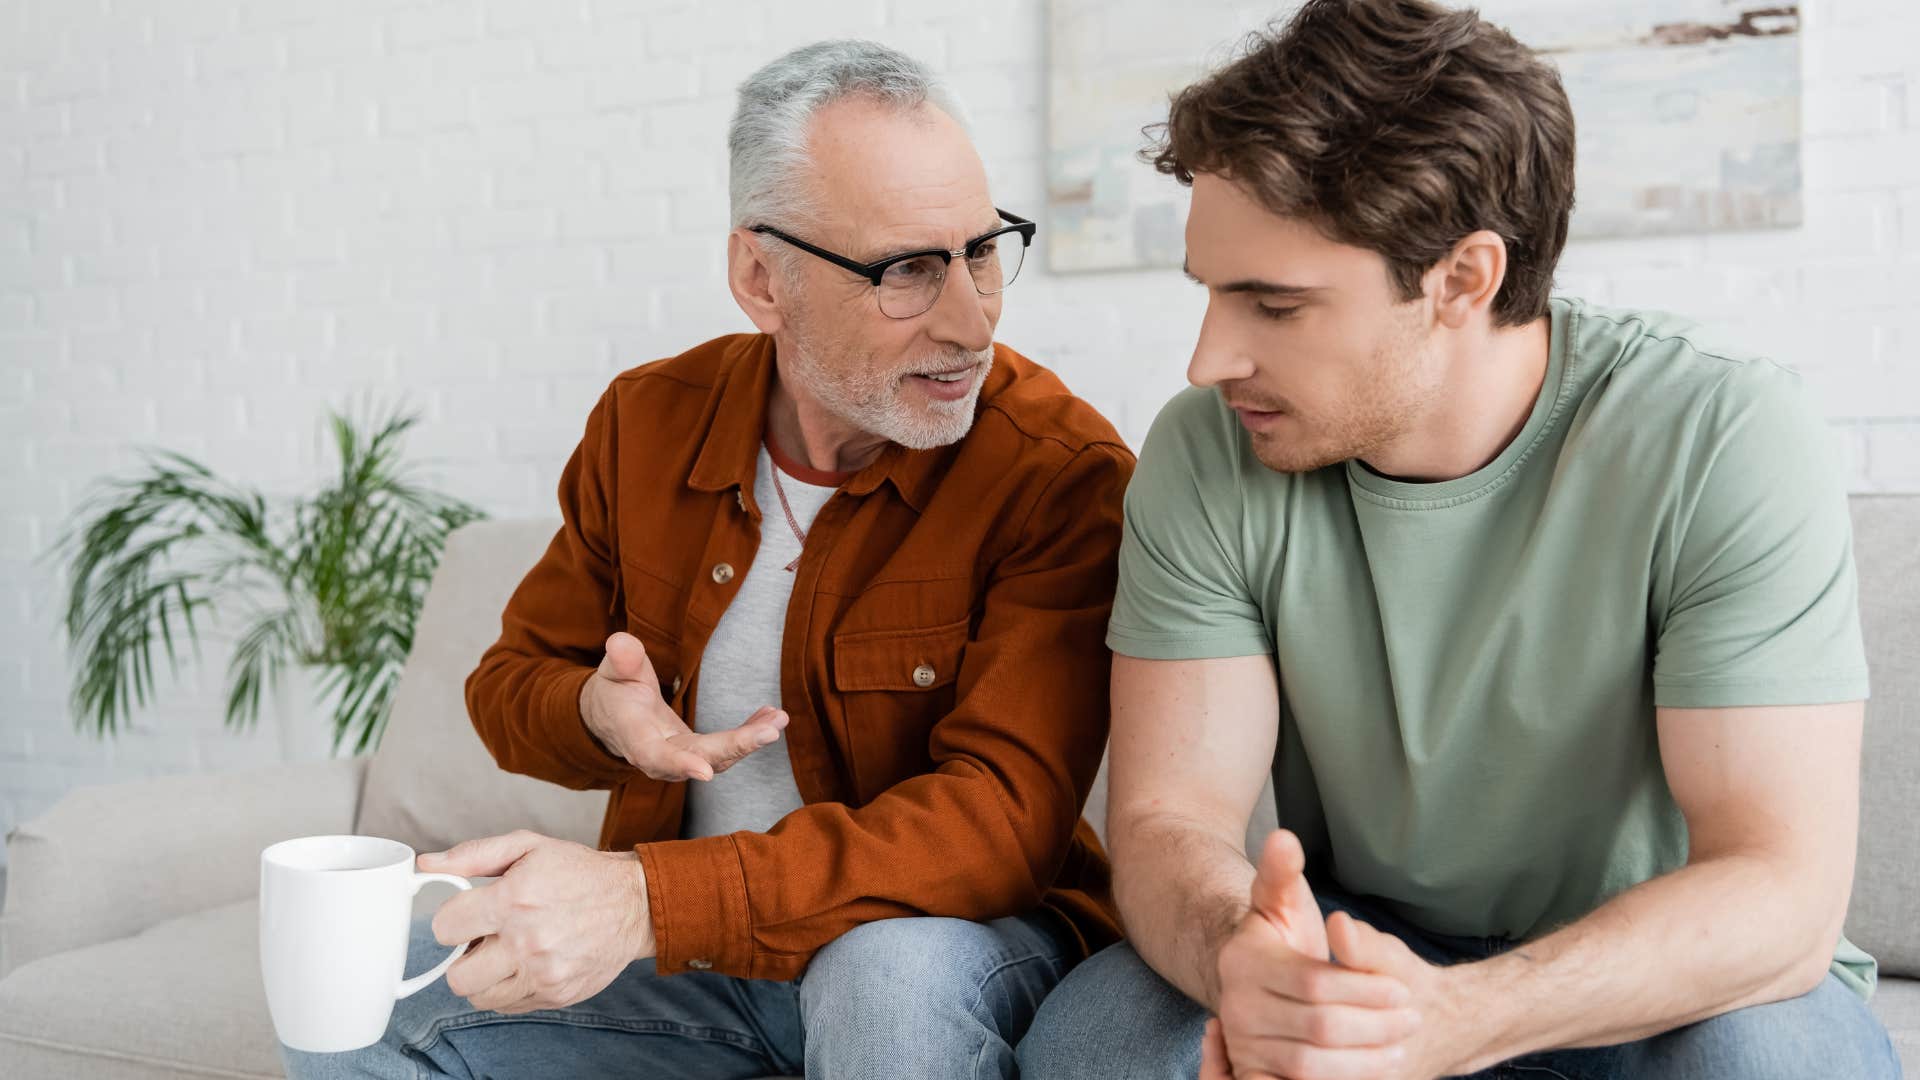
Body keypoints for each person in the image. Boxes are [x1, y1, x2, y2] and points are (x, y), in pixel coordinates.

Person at [1015, 1, 1902, 1077]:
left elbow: (1778, 886)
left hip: (1659, 981)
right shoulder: (1209, 454)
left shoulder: (1722, 437)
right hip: (1361, 944)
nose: (1210, 359)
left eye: (1275, 307)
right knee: (1100, 1037)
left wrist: (1453, 1020)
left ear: (1463, 278)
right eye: (1210, 294)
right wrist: (1241, 958)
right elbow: (1168, 818)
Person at [281, 39, 1130, 1080]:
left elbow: (1001, 822)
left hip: (959, 943)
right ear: (760, 280)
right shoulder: (647, 424)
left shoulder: (1059, 472)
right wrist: (600, 714)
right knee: (359, 999)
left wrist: (647, 901)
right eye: (908, 269)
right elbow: (509, 685)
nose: (972, 318)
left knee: (882, 979)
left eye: (983, 250)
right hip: (703, 962)